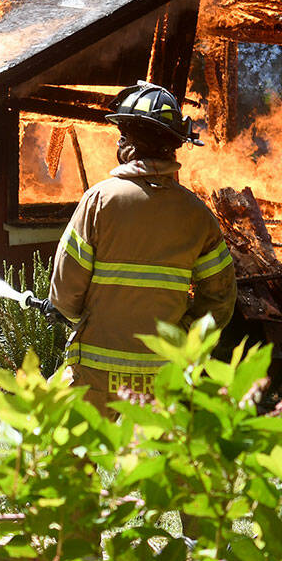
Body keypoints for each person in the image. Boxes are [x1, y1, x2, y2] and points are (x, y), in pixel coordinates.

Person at [48, 80, 237, 417]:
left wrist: (85, 319)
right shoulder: (197, 215)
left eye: (122, 138)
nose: (119, 145)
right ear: (173, 148)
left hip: (94, 373)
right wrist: (183, 338)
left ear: (131, 147)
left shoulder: (99, 201)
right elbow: (220, 300)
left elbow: (64, 294)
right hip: (163, 377)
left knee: (57, 453)